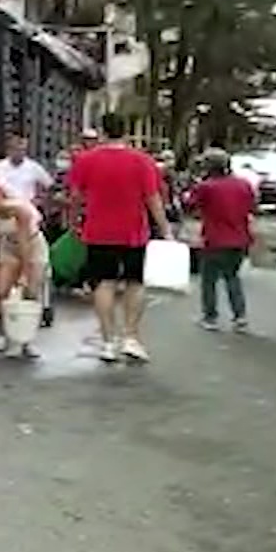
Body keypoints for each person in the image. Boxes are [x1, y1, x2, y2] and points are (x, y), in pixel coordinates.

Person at [65, 112, 171, 363]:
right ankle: (131, 337)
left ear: (102, 132)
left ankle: (107, 341)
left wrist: (73, 223)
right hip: (134, 231)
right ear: (126, 131)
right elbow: (152, 199)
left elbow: (76, 197)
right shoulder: (143, 161)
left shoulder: (86, 160)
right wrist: (165, 229)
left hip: (98, 230)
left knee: (104, 283)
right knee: (135, 282)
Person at [0, 177, 51, 358]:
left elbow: (24, 244)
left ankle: (26, 340)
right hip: (8, 247)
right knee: (1, 292)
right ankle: (5, 335)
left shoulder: (20, 210)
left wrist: (25, 273)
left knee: (31, 293)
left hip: (33, 247)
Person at [186, 147, 255, 333]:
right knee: (233, 277)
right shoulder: (243, 184)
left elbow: (191, 206)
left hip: (214, 240)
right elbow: (252, 207)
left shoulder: (206, 187)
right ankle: (240, 317)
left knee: (209, 280)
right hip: (240, 239)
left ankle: (210, 317)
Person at [0, 132, 55, 208]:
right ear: (9, 151)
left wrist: (41, 200)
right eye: (16, 150)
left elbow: (50, 185)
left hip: (28, 207)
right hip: (6, 207)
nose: (20, 153)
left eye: (23, 150)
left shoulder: (34, 167)